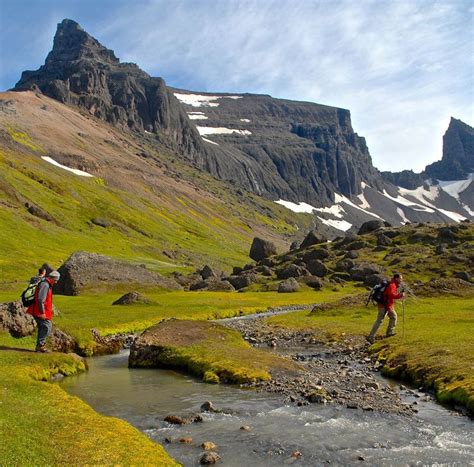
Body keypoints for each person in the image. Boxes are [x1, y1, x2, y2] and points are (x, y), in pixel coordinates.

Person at [26, 270, 60, 352]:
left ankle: (40, 346)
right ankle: (41, 346)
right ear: (52, 278)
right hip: (39, 311)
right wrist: (42, 313)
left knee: (44, 327)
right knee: (47, 327)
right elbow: (40, 299)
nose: (56, 282)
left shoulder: (47, 284)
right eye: (55, 280)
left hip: (40, 311)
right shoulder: (45, 285)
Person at [367, 273, 405, 344]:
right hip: (385, 305)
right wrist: (400, 295)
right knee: (381, 320)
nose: (401, 280)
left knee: (392, 317)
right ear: (396, 278)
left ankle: (389, 332)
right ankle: (371, 336)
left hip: (386, 305)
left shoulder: (392, 284)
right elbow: (391, 295)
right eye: (400, 278)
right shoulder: (392, 285)